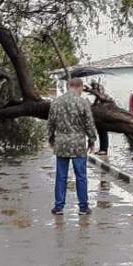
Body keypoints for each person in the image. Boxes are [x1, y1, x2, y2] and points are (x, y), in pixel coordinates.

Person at [47, 77, 98, 215]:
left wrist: (51, 139)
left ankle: (58, 206)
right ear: (79, 87)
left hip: (62, 143)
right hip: (78, 144)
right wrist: (92, 139)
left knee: (61, 176)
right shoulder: (83, 102)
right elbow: (89, 123)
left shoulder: (56, 102)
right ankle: (83, 207)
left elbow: (51, 123)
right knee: (81, 176)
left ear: (69, 86)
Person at [90, 81, 110, 155]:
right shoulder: (97, 98)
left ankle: (104, 149)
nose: (98, 91)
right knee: (100, 133)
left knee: (104, 133)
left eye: (99, 89)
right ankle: (101, 148)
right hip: (98, 118)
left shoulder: (105, 96)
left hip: (104, 117)